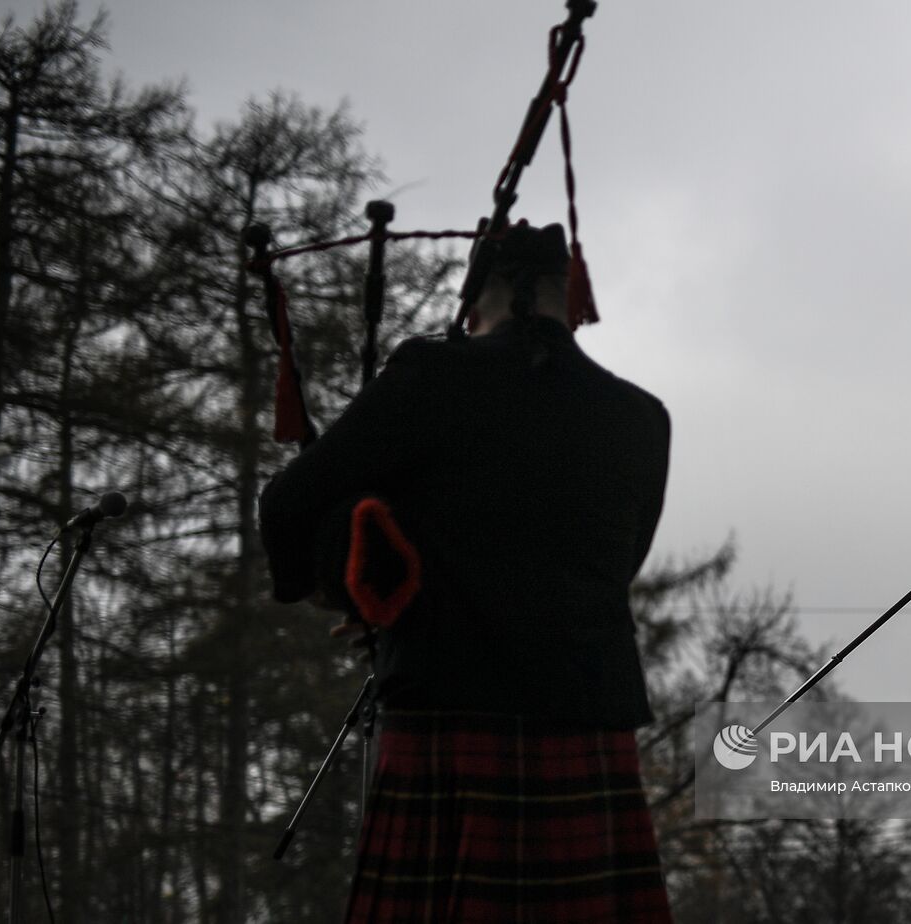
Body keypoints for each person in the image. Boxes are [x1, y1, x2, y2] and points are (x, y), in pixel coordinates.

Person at [258, 221, 674, 922]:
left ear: (479, 304)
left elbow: (288, 505)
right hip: (588, 725)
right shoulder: (642, 418)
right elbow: (617, 566)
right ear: (566, 300)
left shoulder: (430, 378)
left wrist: (353, 588)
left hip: (448, 722)